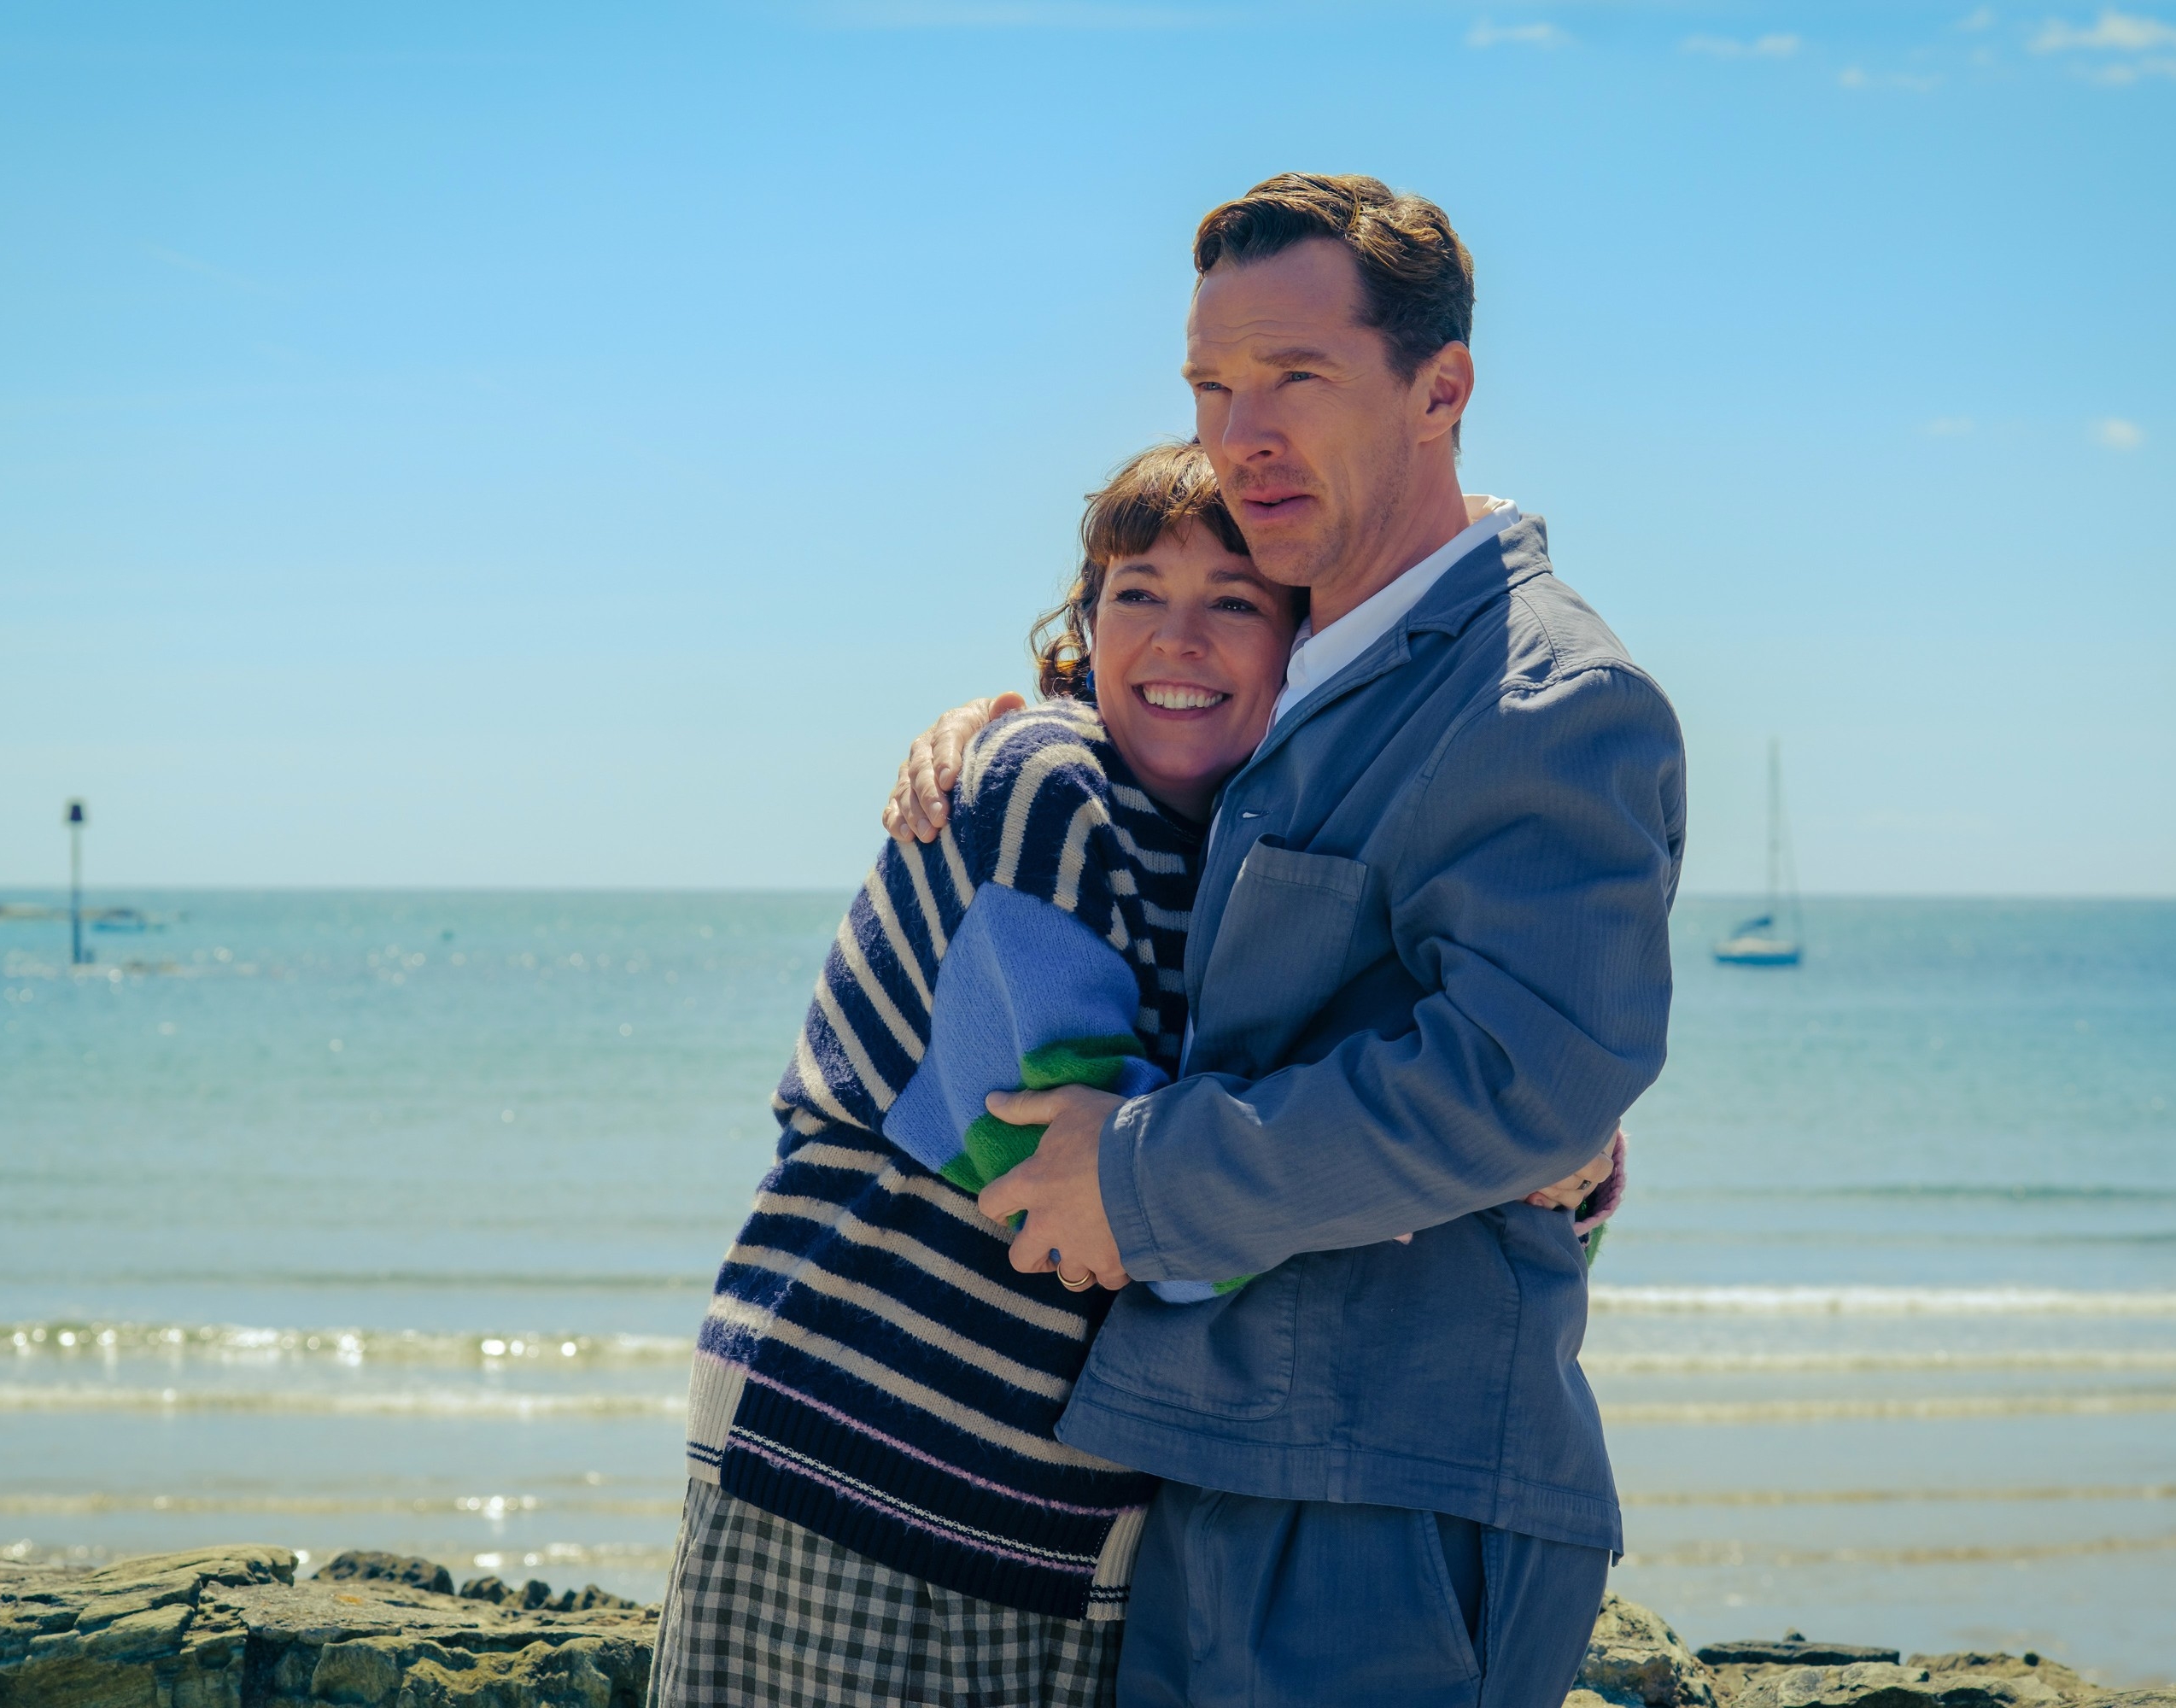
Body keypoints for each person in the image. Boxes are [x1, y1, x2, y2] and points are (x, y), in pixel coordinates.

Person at [652, 440, 1626, 1707]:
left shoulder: (1252, 851)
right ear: (1084, 625)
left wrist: (1539, 1141)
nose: (1178, 640)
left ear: (1304, 646)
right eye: (1135, 595)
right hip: (862, 1460)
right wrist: (1480, 1154)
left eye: (1234, 601)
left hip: (1064, 1516)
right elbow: (1074, 1203)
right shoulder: (1044, 790)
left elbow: (1282, 1130)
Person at [883, 173, 1685, 1708]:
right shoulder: (1308, 655)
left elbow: (1525, 1082)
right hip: (1227, 1470)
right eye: (1210, 384)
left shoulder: (1550, 698)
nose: (1238, 431)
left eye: (1296, 378)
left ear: (1441, 388)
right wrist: (1021, 723)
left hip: (1395, 1496)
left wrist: (1135, 1177)